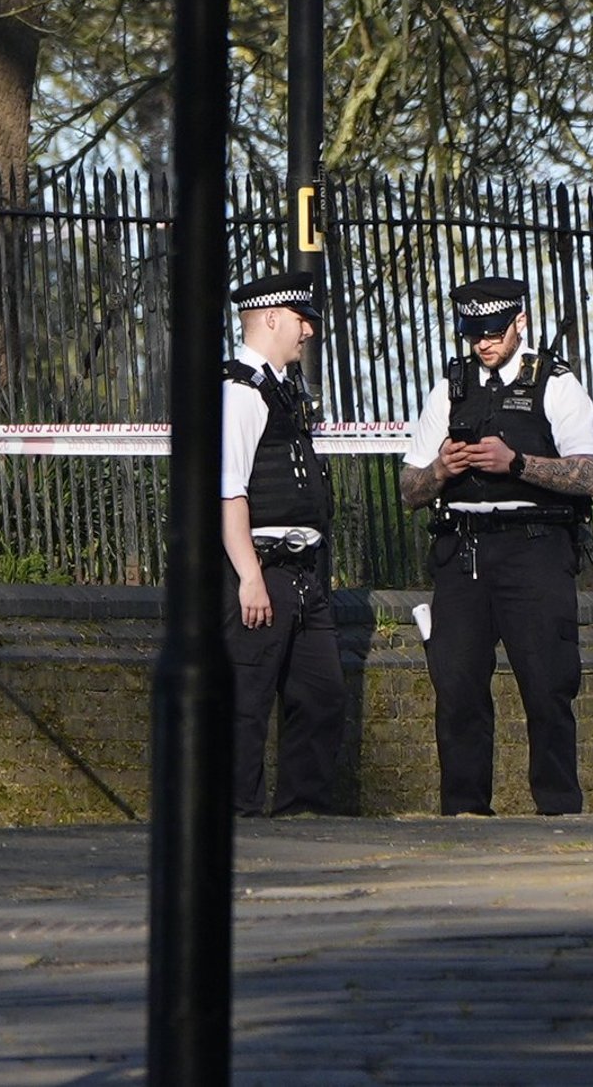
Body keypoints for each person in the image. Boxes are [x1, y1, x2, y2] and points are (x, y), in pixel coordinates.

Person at [399, 275, 593, 817]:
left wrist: (516, 464)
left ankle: (558, 809)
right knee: (457, 688)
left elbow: (592, 475)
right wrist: (441, 470)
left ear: (520, 322)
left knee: (547, 684)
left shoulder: (556, 384)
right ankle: (464, 812)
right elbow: (408, 489)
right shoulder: (450, 389)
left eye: (493, 332)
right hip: (461, 551)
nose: (483, 344)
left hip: (534, 549)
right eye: (473, 334)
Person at [222, 272, 344, 818]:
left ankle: (303, 813)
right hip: (263, 569)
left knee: (321, 695)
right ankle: (239, 816)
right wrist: (249, 575)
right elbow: (229, 492)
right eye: (301, 320)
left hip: (301, 575)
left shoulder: (280, 390)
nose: (309, 331)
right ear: (272, 318)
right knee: (246, 702)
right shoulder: (240, 393)